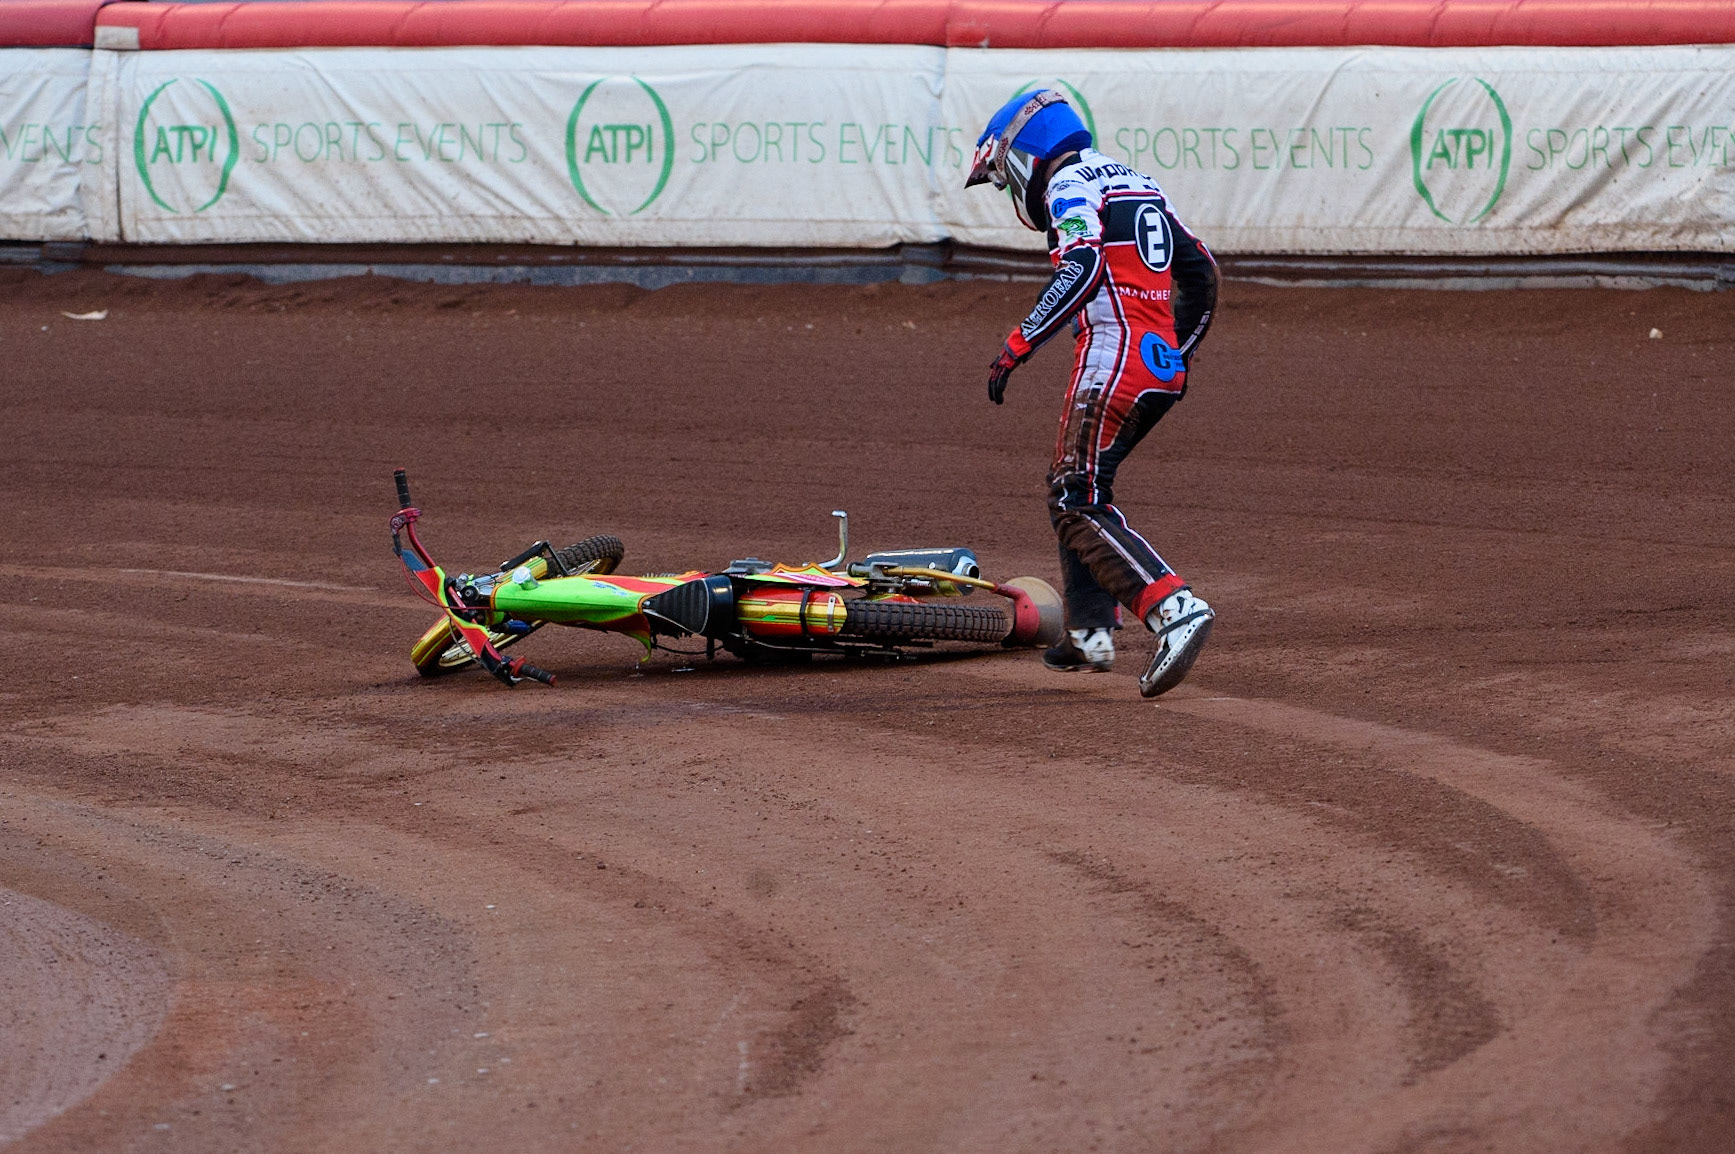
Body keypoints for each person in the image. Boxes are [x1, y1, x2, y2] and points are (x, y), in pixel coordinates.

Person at [965, 89, 1218, 698]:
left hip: (1112, 358)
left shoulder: (1070, 185)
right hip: (1158, 365)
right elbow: (1202, 274)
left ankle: (1172, 608)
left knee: (1076, 498)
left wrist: (1017, 345)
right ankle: (1089, 634)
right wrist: (1175, 353)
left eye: (1004, 174)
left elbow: (1078, 269)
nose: (1011, 189)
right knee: (1075, 487)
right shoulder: (1136, 181)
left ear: (1026, 154)